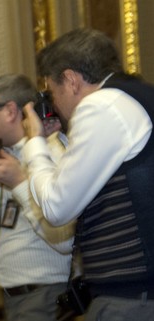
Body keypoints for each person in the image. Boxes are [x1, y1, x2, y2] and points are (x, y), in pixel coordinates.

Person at [22, 28, 154, 321]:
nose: (54, 104)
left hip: (133, 299)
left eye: (52, 92)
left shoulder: (101, 106)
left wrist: (34, 143)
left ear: (70, 80)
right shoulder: (136, 97)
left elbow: (56, 207)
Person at [0, 74, 75, 321]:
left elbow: (62, 233)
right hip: (11, 294)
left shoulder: (51, 152)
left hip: (45, 292)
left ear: (9, 110)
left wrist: (19, 182)